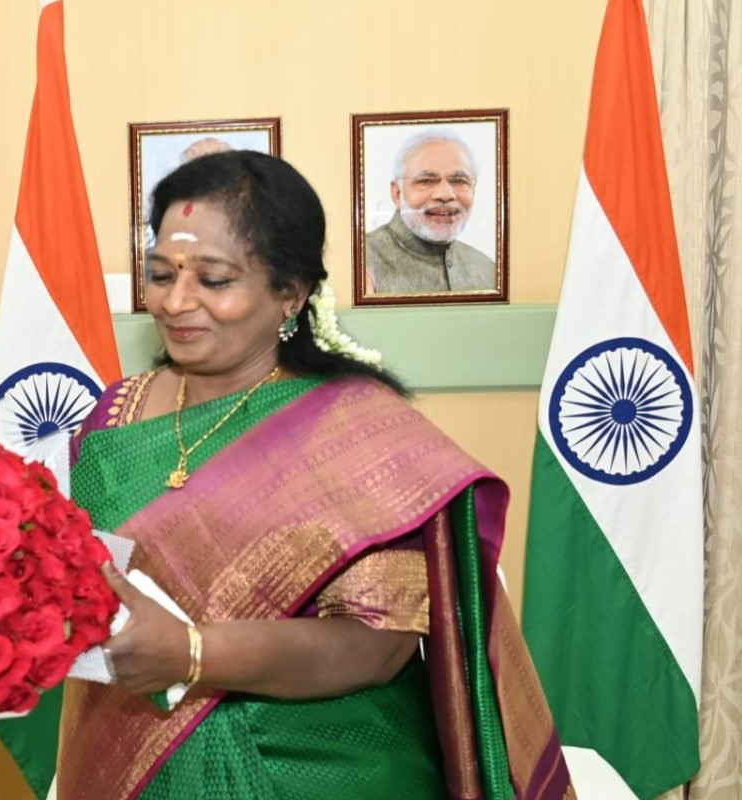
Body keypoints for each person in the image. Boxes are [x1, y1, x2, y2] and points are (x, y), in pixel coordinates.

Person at [58, 151, 572, 799]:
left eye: (214, 280)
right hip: (133, 759)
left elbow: (375, 647)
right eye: (161, 275)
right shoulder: (113, 416)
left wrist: (192, 653)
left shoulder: (356, 431)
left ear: (291, 293)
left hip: (317, 768)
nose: (176, 301)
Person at [365, 128, 496, 293]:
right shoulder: (359, 261)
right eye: (426, 180)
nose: (445, 194)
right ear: (397, 193)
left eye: (459, 181)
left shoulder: (488, 270)